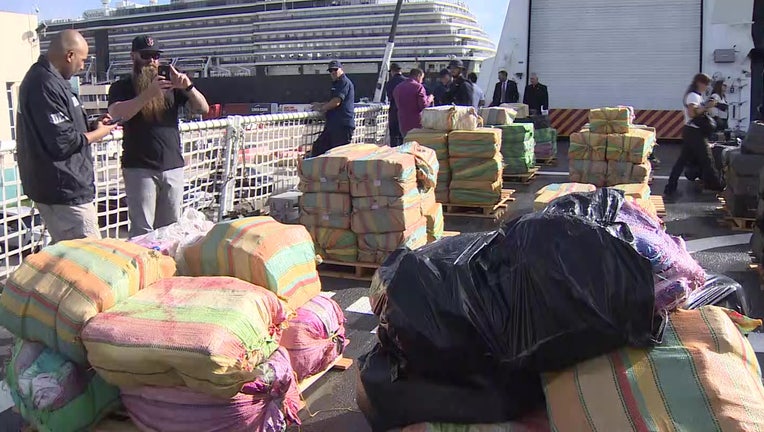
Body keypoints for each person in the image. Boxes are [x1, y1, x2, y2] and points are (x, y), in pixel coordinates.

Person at [16, 29, 118, 243]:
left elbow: (64, 128)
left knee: (70, 255)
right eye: (82, 60)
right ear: (69, 56)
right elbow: (63, 141)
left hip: (64, 187)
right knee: (89, 258)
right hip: (64, 190)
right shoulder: (43, 84)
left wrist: (92, 124)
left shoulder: (51, 80)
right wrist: (100, 133)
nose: (83, 67)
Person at [108, 35, 209, 238]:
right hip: (139, 167)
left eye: (155, 56)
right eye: (146, 56)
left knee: (171, 230)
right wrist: (149, 93)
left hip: (172, 165)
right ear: (133, 57)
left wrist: (188, 87)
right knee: (142, 230)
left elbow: (203, 108)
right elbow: (118, 113)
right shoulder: (122, 86)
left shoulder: (171, 86)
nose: (151, 61)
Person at [664, 73, 725, 196]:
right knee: (706, 158)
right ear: (699, 83)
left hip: (691, 131)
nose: (707, 87)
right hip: (694, 131)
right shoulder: (692, 96)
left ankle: (671, 186)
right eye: (706, 84)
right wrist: (707, 106)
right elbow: (692, 113)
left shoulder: (696, 96)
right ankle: (715, 185)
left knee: (682, 160)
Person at [309, 60, 356, 157]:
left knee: (338, 155)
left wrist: (322, 108)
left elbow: (336, 102)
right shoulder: (337, 83)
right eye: (330, 70)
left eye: (335, 69)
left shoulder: (343, 82)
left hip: (342, 126)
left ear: (341, 69)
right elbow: (333, 101)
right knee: (318, 148)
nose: (333, 72)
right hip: (333, 125)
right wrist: (320, 104)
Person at [393, 68, 434, 137]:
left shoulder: (398, 87)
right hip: (417, 123)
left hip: (403, 123)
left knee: (407, 145)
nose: (422, 81)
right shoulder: (418, 87)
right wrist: (429, 99)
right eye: (422, 78)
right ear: (418, 76)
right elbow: (423, 105)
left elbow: (397, 104)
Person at [385, 63, 406, 146]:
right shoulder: (406, 81)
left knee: (393, 136)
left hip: (394, 111)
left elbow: (389, 97)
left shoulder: (390, 83)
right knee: (404, 136)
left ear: (392, 72)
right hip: (405, 111)